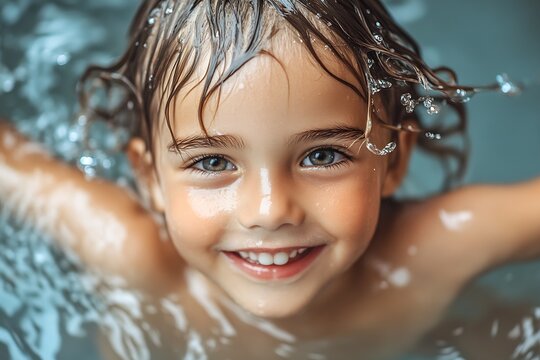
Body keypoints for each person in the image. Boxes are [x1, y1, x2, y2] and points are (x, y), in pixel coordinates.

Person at [0, 0, 539, 358]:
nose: (269, 208)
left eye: (322, 155)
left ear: (393, 159)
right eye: (212, 163)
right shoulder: (131, 256)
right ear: (150, 179)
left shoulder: (436, 248)